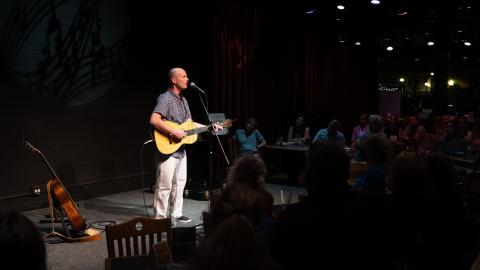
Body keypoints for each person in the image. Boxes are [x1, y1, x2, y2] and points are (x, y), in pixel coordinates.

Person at [149, 67, 221, 223]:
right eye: (184, 76)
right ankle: (160, 218)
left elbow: (189, 124)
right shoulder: (165, 98)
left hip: (181, 150)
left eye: (187, 76)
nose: (187, 79)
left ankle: (176, 213)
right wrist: (172, 132)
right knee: (164, 186)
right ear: (174, 80)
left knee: (180, 183)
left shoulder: (184, 100)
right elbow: (154, 120)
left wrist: (210, 127)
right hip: (166, 149)